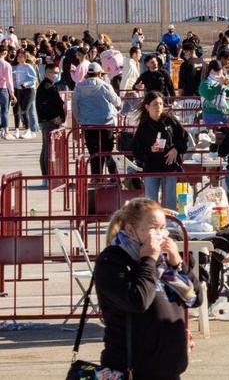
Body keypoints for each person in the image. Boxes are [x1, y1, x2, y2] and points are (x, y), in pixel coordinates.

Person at [94, 198, 194, 379]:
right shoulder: (112, 260)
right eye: (153, 228)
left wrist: (177, 263)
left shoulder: (164, 263)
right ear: (131, 229)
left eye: (163, 227)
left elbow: (195, 298)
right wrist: (148, 260)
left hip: (169, 368)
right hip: (132, 369)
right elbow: (138, 300)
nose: (161, 234)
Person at [132, 91, 188, 209]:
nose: (159, 107)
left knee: (170, 202)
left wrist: (176, 149)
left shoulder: (170, 121)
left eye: (161, 104)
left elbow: (183, 138)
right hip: (151, 168)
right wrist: (150, 150)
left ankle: (170, 225)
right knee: (150, 203)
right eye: (155, 104)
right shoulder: (143, 126)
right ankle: (152, 224)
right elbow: (137, 150)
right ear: (147, 107)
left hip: (170, 166)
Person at [73, 63, 121, 174]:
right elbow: (117, 101)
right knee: (108, 151)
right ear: (99, 73)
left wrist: (79, 119)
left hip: (88, 123)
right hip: (106, 123)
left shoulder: (79, 87)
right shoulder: (105, 86)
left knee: (93, 152)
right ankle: (113, 176)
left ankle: (96, 177)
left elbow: (75, 106)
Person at [35, 64, 66, 176]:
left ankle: (46, 174)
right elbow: (45, 105)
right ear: (48, 72)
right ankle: (47, 175)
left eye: (58, 73)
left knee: (46, 147)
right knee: (48, 148)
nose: (57, 75)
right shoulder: (46, 86)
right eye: (55, 73)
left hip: (47, 120)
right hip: (49, 121)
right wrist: (55, 117)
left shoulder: (50, 85)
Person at [199, 60, 229, 126]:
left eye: (219, 71)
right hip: (211, 114)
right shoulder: (205, 83)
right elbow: (209, 95)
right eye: (216, 71)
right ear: (210, 71)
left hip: (227, 113)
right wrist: (219, 85)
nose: (218, 73)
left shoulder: (225, 81)